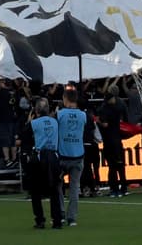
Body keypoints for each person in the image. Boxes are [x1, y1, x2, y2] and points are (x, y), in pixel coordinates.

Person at [25, 97, 62, 229]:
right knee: (54, 190)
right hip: (54, 156)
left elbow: (25, 137)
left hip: (40, 157)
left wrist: (29, 120)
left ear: (36, 110)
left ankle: (40, 220)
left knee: (35, 191)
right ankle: (57, 220)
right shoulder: (55, 122)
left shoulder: (34, 123)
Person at [56, 88, 86, 226]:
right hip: (78, 155)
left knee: (58, 186)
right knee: (74, 188)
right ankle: (72, 218)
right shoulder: (83, 115)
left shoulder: (60, 114)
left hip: (62, 155)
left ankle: (61, 214)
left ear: (65, 99)